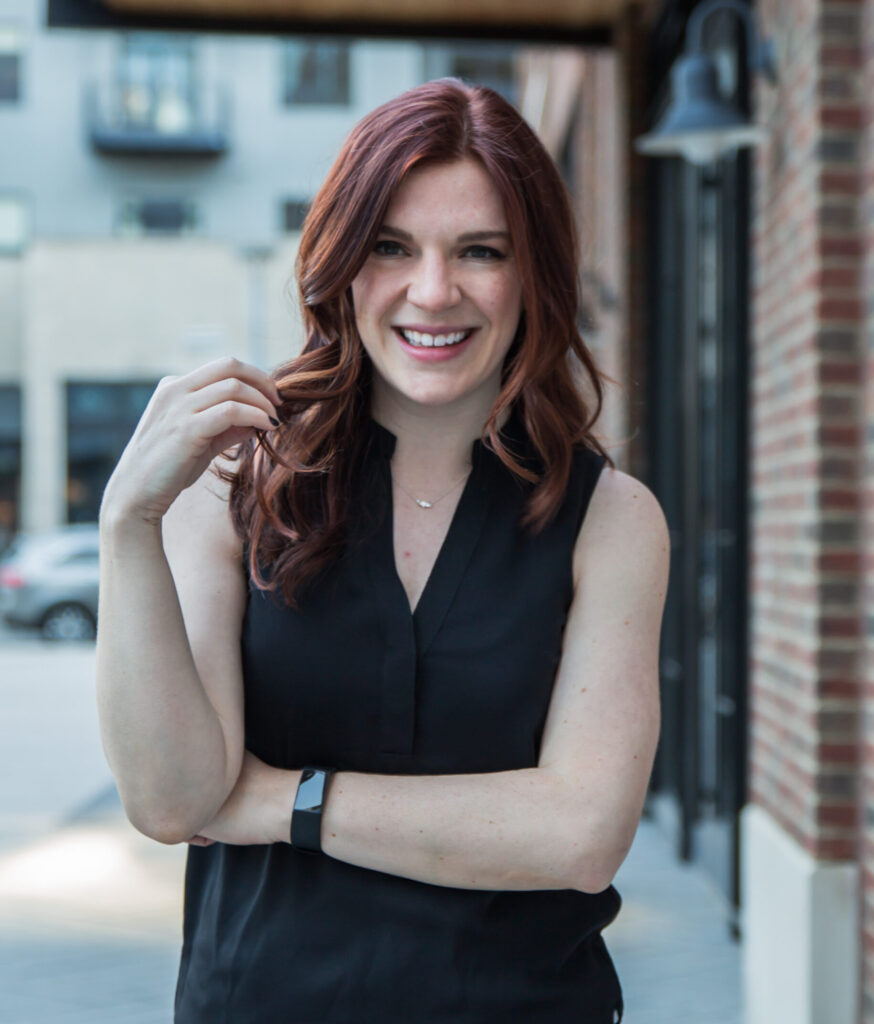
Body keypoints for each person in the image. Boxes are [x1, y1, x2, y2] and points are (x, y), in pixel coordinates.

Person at [96, 78, 668, 1023]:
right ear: (341, 260)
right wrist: (128, 524)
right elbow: (172, 799)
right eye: (392, 247)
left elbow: (581, 834)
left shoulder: (611, 519)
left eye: (480, 251)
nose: (433, 291)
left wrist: (285, 803)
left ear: (535, 277)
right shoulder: (233, 489)